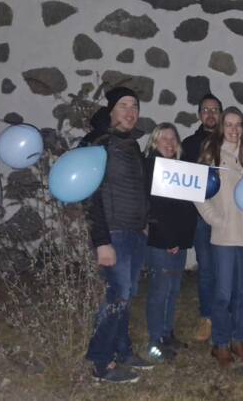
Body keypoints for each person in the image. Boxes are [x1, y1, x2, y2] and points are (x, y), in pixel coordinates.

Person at [85, 87, 151, 383]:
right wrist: (101, 242)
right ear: (110, 111)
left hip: (134, 233)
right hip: (113, 234)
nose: (130, 111)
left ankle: (123, 351)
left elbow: (136, 188)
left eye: (134, 105)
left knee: (126, 296)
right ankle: (101, 362)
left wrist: (145, 221)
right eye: (123, 105)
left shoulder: (130, 144)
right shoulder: (98, 144)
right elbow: (89, 197)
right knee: (116, 297)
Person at [196, 109, 243, 367]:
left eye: (238, 125)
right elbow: (199, 193)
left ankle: (238, 339)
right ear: (222, 127)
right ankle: (221, 343)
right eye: (229, 124)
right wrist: (215, 219)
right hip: (224, 236)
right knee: (223, 294)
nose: (234, 130)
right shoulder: (210, 154)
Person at [142, 123, 195, 362]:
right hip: (161, 241)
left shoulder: (181, 170)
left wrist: (182, 239)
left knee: (172, 290)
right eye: (164, 138)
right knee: (159, 291)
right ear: (154, 141)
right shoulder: (150, 168)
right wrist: (169, 238)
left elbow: (184, 208)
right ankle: (155, 342)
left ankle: (166, 333)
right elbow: (153, 210)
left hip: (177, 242)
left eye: (173, 138)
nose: (170, 142)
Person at [182, 93, 222, 343]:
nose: (210, 114)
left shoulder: (231, 141)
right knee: (207, 268)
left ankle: (225, 314)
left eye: (215, 110)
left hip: (229, 214)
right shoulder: (188, 144)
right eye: (206, 110)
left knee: (228, 268)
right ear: (199, 115)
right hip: (201, 217)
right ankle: (207, 317)